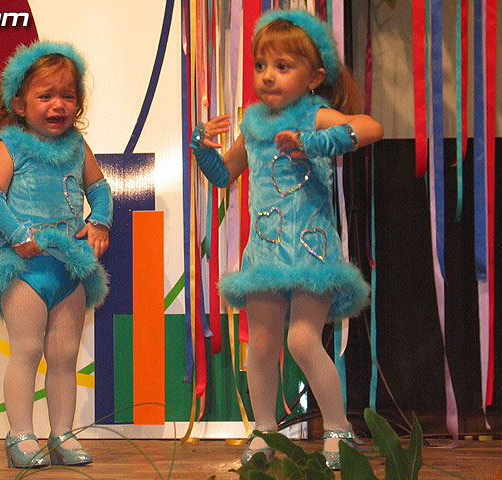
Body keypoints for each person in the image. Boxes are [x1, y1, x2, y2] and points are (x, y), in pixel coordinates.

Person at [190, 9, 383, 470]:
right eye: (261, 65)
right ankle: (264, 431)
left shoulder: (316, 114)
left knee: (302, 339)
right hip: (265, 253)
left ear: (313, 77)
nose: (267, 76)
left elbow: (370, 128)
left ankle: (338, 429)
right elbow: (224, 175)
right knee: (261, 344)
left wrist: (314, 143)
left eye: (282, 66)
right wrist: (200, 146)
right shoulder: (253, 123)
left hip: (312, 250)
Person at [0, 40, 112, 469]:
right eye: (45, 96)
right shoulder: (12, 145)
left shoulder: (77, 146)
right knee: (27, 350)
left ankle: (62, 434)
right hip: (25, 269)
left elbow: (99, 188)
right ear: (19, 105)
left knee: (64, 356)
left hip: (68, 269)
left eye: (68, 95)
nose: (58, 105)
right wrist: (18, 234)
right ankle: (20, 434)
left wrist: (100, 222)